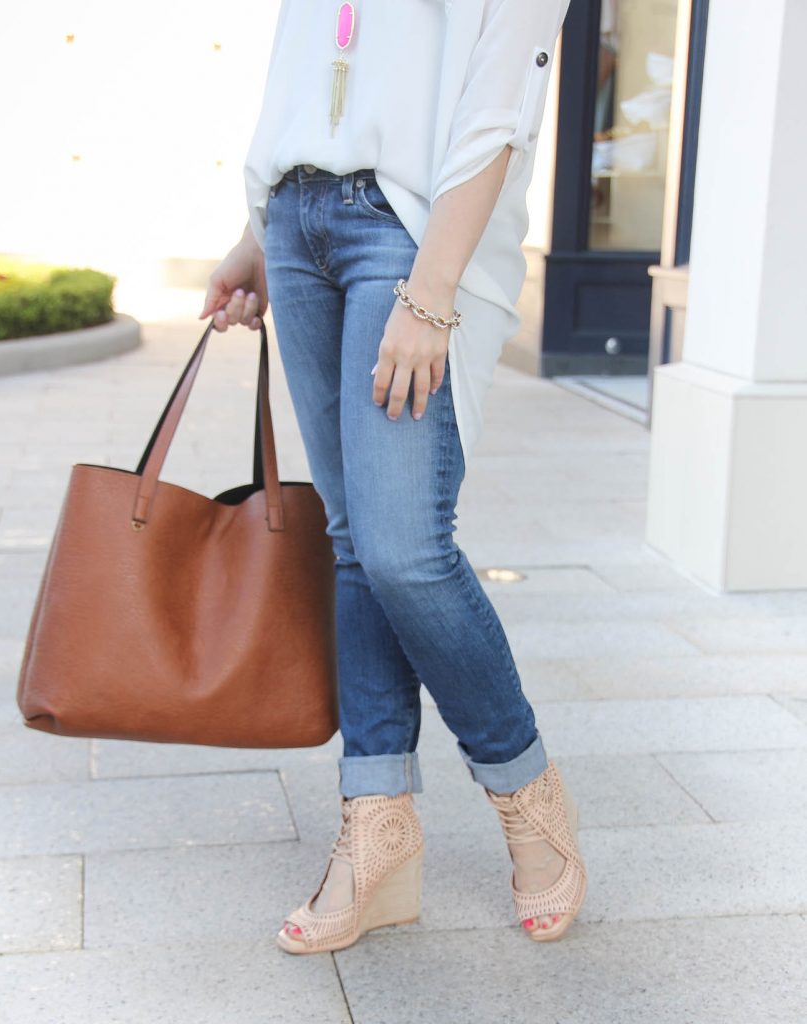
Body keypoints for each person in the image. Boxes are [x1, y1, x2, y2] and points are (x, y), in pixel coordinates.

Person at [200, 0, 587, 955]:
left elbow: (500, 104)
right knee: (351, 544)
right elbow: (311, 68)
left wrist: (433, 289)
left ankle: (527, 798)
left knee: (405, 549)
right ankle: (378, 836)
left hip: (408, 232)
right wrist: (256, 231)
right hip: (295, 219)